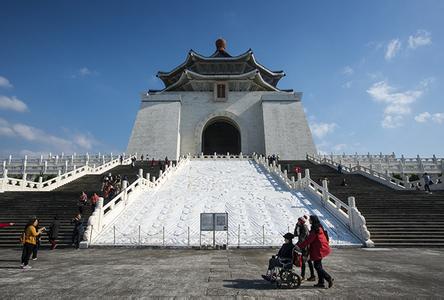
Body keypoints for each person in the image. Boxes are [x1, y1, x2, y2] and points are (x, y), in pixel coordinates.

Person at [297, 215, 334, 288]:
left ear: (313, 220)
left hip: (319, 249)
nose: (309, 220)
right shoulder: (318, 227)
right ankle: (321, 282)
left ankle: (328, 278)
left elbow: (308, 240)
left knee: (317, 266)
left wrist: (300, 246)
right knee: (319, 266)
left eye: (310, 219)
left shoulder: (315, 229)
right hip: (321, 248)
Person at [294, 217, 315, 281]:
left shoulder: (304, 227)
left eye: (299, 221)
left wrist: (297, 245)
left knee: (303, 261)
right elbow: (296, 234)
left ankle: (303, 276)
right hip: (304, 246)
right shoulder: (300, 226)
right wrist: (296, 226)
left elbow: (302, 239)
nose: (298, 222)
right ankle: (312, 275)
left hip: (306, 247)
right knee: (308, 261)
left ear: (301, 221)